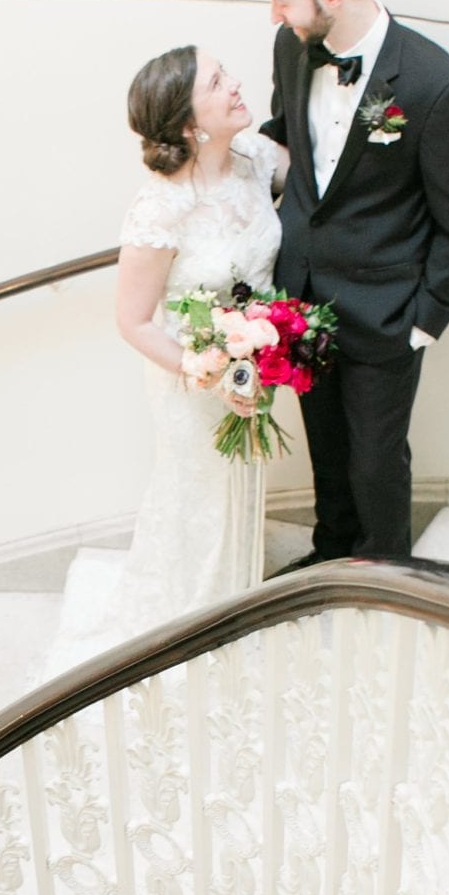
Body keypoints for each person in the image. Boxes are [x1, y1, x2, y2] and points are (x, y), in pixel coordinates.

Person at [257, 0, 449, 563]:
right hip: (302, 296)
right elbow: (288, 142)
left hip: (387, 311)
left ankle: (387, 574)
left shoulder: (433, 83)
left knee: (375, 461)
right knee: (324, 447)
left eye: (282, 0)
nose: (274, 15)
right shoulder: (291, 48)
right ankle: (331, 553)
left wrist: (426, 319)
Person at [108, 44, 285, 635]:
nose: (236, 84)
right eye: (217, 82)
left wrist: (445, 181)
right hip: (192, 381)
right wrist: (201, 367)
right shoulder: (161, 207)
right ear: (189, 124)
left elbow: (351, 175)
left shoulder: (256, 158)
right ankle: (190, 629)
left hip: (253, 364)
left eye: (227, 72)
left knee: (239, 486)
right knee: (198, 496)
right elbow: (133, 321)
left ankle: (237, 601)